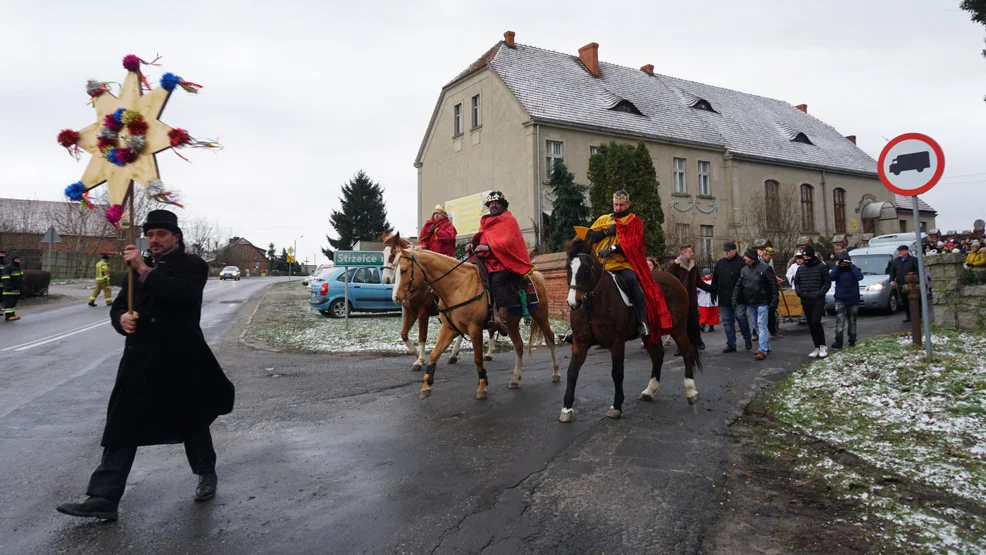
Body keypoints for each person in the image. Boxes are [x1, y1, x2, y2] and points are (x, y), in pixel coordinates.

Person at [57, 210, 235, 521]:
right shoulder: (135, 272)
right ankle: (104, 498)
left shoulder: (192, 265)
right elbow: (119, 307)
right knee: (121, 425)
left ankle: (206, 473)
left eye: (161, 234)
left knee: (191, 421)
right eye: (150, 234)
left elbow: (181, 294)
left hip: (182, 359)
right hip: (140, 359)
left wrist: (141, 268)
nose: (153, 240)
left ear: (175, 237)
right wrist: (121, 319)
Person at [584, 190, 671, 340]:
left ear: (628, 204)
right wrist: (606, 231)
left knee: (631, 281)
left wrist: (612, 249)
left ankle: (642, 321)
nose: (618, 208)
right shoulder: (604, 219)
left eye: (621, 205)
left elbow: (633, 245)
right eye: (615, 204)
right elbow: (589, 236)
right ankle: (583, 325)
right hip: (602, 265)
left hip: (623, 265)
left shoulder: (634, 222)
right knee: (584, 285)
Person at [466, 191, 534, 336]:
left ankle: (502, 318)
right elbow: (480, 236)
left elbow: (509, 242)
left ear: (503, 205)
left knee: (497, 280)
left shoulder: (508, 220)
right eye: (491, 203)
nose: (493, 205)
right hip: (487, 260)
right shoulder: (485, 221)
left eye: (496, 203)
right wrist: (472, 244)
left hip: (506, 261)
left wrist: (489, 247)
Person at [733, 248, 779, 360]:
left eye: (746, 256)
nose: (744, 258)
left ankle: (762, 350)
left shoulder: (765, 268)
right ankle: (765, 347)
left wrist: (774, 301)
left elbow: (773, 285)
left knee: (762, 326)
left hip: (762, 302)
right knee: (757, 326)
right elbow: (739, 285)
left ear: (752, 258)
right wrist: (735, 298)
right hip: (750, 302)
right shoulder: (744, 270)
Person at [667, 245, 713, 354]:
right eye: (690, 252)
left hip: (692, 299)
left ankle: (697, 342)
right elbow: (670, 282)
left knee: (694, 322)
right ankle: (681, 346)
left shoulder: (693, 266)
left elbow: (698, 281)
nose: (692, 254)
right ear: (683, 253)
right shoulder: (674, 266)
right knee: (681, 324)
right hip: (679, 301)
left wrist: (711, 289)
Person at [712, 241, 752, 353]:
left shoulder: (742, 263)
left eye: (728, 251)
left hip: (739, 297)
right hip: (724, 297)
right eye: (724, 251)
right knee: (727, 321)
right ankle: (731, 343)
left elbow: (747, 281)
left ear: (734, 250)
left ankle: (747, 338)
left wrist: (747, 294)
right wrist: (713, 293)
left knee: (740, 317)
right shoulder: (720, 264)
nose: (726, 253)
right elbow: (715, 280)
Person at [795, 245, 832, 358]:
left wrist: (820, 293)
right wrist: (800, 293)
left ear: (812, 256)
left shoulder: (821, 267)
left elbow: (827, 283)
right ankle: (816, 346)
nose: (805, 258)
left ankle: (822, 346)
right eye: (804, 256)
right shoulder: (800, 269)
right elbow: (797, 283)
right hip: (806, 300)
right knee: (810, 324)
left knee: (816, 321)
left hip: (817, 300)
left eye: (807, 256)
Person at [830, 251, 864, 349]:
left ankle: (852, 341)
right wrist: (837, 266)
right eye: (842, 263)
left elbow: (860, 277)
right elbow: (831, 277)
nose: (844, 265)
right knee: (840, 321)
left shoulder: (854, 270)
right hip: (840, 299)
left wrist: (852, 266)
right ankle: (839, 341)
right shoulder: (837, 271)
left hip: (853, 300)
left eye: (846, 263)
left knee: (852, 321)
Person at [889, 244, 920, 323]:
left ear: (906, 251)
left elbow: (918, 270)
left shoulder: (913, 260)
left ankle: (918, 315)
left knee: (916, 300)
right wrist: (891, 280)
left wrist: (915, 277)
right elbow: (892, 271)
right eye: (899, 251)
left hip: (913, 284)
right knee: (905, 300)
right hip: (901, 284)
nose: (899, 252)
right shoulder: (896, 261)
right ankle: (908, 316)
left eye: (900, 251)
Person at [761, 247, 783, 339]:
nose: (769, 257)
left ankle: (773, 330)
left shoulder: (770, 262)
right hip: (762, 290)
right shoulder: (759, 263)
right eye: (768, 256)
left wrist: (776, 278)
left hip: (770, 289)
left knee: (772, 311)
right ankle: (756, 333)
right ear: (764, 255)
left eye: (770, 256)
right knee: (760, 314)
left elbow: (772, 273)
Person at [2, 254, 23, 321]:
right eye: (16, 259)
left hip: (16, 289)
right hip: (9, 289)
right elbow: (5, 277)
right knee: (9, 302)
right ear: (13, 260)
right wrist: (8, 286)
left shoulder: (19, 268)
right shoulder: (8, 267)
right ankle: (8, 316)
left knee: (13, 302)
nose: (18, 261)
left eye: (19, 260)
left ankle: (12, 314)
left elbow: (21, 278)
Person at [698, 268, 719, 333]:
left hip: (712, 301)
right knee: (704, 314)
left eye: (708, 274)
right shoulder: (701, 281)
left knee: (712, 314)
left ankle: (711, 326)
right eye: (706, 274)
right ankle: (702, 326)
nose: (707, 275)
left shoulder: (713, 281)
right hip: (703, 301)